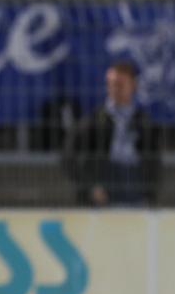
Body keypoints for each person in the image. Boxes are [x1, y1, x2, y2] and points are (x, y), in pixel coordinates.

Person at [64, 62, 161, 207]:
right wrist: (90, 188)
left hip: (135, 189)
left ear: (133, 85)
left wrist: (149, 193)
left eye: (120, 84)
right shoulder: (94, 120)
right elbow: (68, 156)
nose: (115, 89)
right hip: (104, 189)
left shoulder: (143, 121)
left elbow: (154, 160)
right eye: (111, 84)